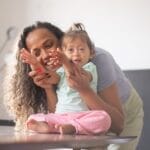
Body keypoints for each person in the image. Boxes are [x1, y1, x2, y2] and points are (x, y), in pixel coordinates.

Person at [4, 21, 143, 150]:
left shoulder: (94, 59)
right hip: (78, 116)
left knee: (102, 126)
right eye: (37, 53)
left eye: (48, 45)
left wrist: (84, 89)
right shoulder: (55, 70)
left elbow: (118, 125)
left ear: (60, 42)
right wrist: (47, 86)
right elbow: (59, 111)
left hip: (122, 110)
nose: (45, 55)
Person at [20, 23, 111, 135]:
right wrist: (34, 62)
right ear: (64, 53)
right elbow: (45, 75)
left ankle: (73, 127)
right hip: (61, 116)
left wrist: (65, 61)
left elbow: (74, 76)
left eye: (81, 49)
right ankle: (54, 128)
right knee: (33, 118)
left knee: (104, 118)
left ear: (91, 53)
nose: (76, 54)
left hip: (82, 116)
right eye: (71, 50)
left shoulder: (89, 68)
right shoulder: (60, 71)